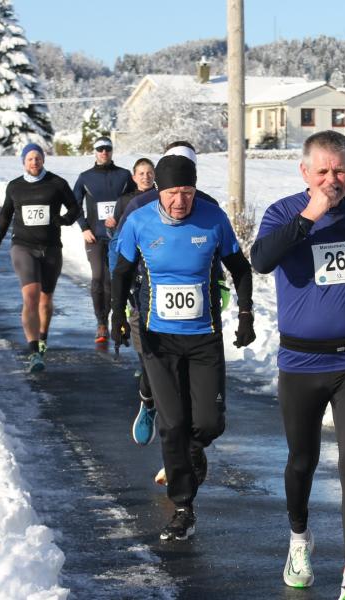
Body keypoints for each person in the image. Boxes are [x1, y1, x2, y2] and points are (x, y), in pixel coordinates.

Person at [250, 130, 345, 600]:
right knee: (302, 460)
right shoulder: (282, 212)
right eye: (322, 171)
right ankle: (299, 538)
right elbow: (261, 260)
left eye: (340, 171)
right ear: (305, 172)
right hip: (300, 363)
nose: (331, 180)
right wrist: (309, 216)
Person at [109, 154, 256, 541]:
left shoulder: (212, 219)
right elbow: (122, 272)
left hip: (205, 336)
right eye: (173, 193)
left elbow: (239, 268)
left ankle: (190, 451)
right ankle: (183, 507)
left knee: (208, 423)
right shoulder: (139, 221)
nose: (180, 201)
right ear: (159, 190)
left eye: (187, 192)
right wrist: (117, 317)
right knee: (173, 424)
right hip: (159, 340)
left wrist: (245, 315)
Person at [0, 143, 80, 372]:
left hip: (50, 248)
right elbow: (5, 215)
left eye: (38, 158)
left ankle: (42, 338)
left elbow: (74, 208)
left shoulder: (57, 183)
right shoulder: (15, 187)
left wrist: (64, 220)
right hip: (23, 246)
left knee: (45, 299)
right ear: (23, 162)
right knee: (30, 296)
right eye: (30, 159)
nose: (34, 162)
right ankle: (33, 352)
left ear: (43, 161)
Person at [109, 157, 161, 446]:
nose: (145, 177)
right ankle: (148, 397)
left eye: (149, 173)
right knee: (149, 355)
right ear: (134, 175)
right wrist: (120, 281)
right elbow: (118, 246)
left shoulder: (194, 203)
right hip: (141, 288)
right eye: (141, 173)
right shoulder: (131, 204)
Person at [73, 136, 132, 345]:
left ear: (112, 151)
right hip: (94, 237)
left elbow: (134, 201)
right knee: (98, 277)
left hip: (118, 236)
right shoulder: (85, 177)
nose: (104, 152)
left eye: (107, 149)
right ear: (95, 152)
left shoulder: (124, 176)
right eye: (100, 149)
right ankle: (101, 322)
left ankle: (114, 319)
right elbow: (74, 204)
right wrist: (84, 228)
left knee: (111, 280)